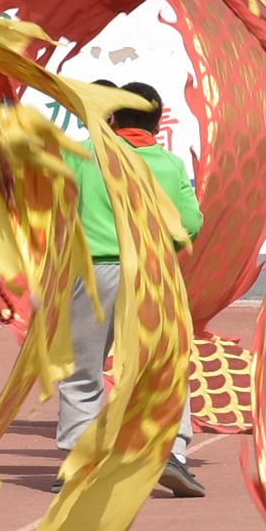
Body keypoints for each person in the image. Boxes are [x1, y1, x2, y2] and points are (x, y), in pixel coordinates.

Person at [55, 79, 209, 498]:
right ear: (158, 125)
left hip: (96, 271)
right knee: (165, 366)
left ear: (115, 118)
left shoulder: (85, 156)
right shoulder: (171, 165)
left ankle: (78, 459)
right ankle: (172, 452)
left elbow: (58, 209)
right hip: (155, 273)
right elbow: (190, 226)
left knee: (81, 368)